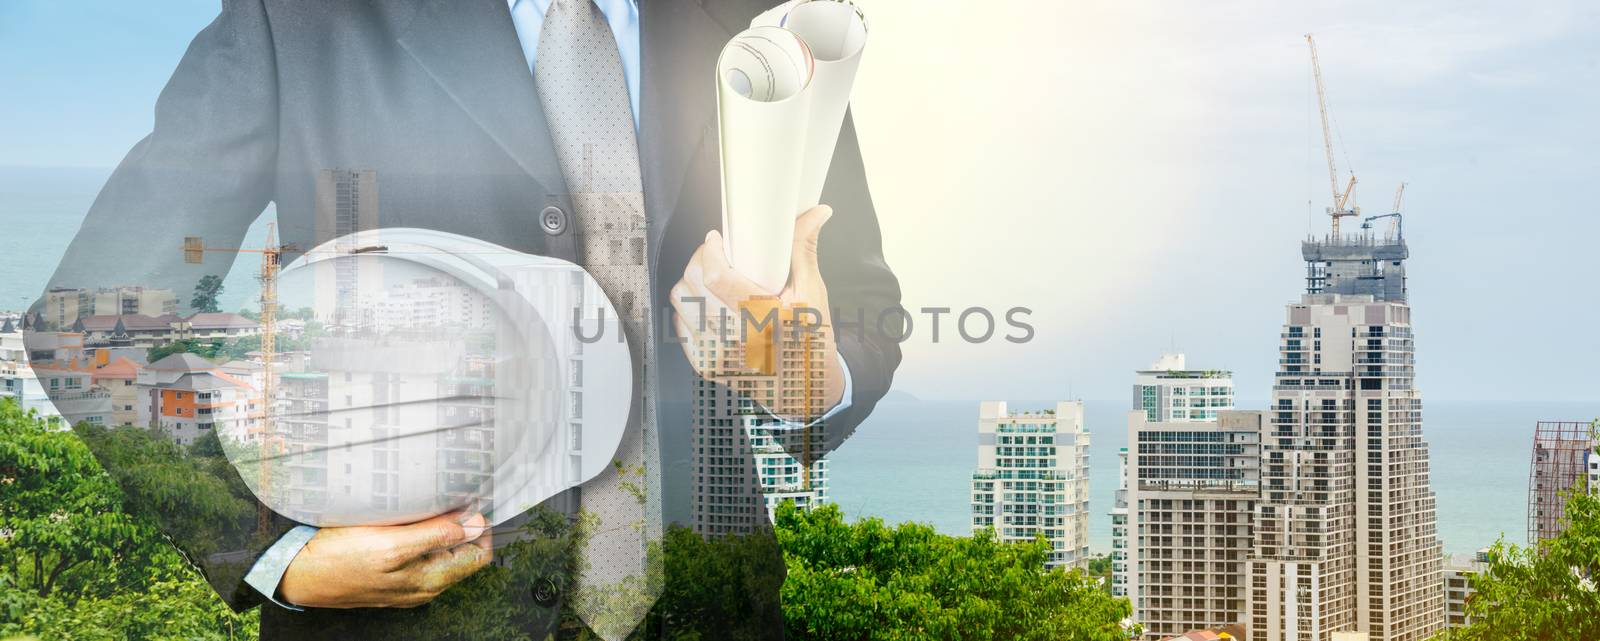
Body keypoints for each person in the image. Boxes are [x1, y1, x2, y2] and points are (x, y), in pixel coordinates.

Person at [28, 0, 900, 639]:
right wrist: (274, 550)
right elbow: (85, 323)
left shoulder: (767, 30)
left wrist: (799, 367)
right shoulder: (296, 18)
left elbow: (859, 309)